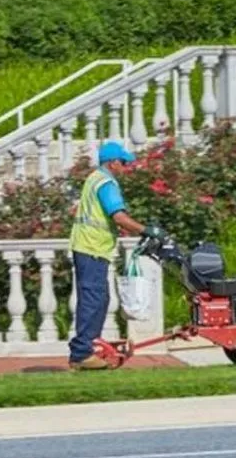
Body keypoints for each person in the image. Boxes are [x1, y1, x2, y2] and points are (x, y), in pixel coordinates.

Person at [67, 140, 165, 370]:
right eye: (123, 162)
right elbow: (118, 217)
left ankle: (87, 349)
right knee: (94, 300)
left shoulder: (94, 178)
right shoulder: (106, 183)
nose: (125, 167)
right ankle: (82, 353)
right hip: (91, 248)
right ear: (112, 163)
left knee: (98, 299)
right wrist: (147, 230)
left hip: (90, 248)